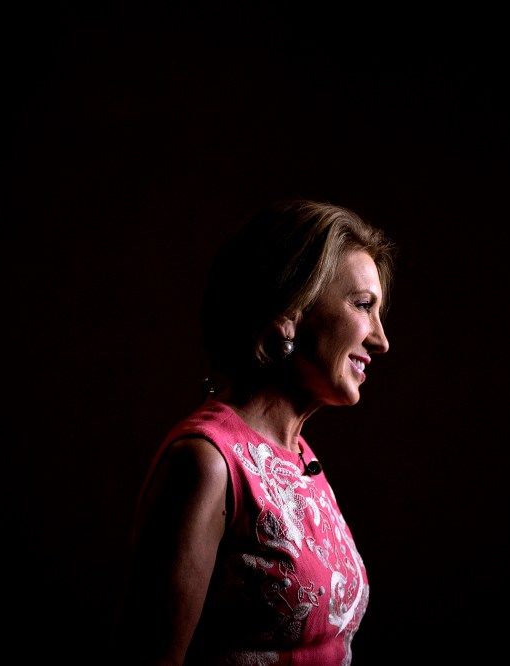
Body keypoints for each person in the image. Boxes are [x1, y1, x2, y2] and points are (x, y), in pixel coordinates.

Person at [114, 199, 396, 665]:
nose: (381, 340)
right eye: (363, 305)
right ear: (290, 307)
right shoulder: (206, 461)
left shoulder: (300, 456)